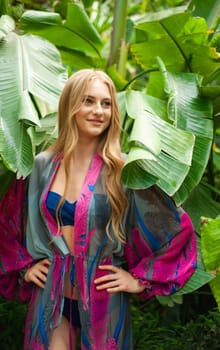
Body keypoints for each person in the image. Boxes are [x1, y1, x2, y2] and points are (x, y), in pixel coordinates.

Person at [0, 69, 197, 350]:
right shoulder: (43, 166)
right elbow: (8, 222)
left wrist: (138, 280)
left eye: (106, 103)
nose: (98, 111)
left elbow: (177, 230)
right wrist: (25, 268)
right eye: (88, 101)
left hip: (104, 303)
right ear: (71, 105)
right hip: (51, 299)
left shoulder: (123, 171)